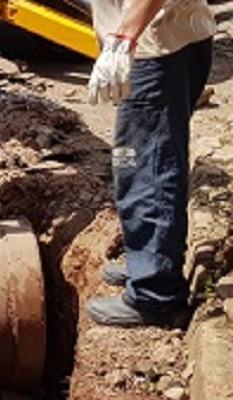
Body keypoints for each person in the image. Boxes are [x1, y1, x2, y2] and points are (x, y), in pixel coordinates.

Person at [84, 0, 216, 327]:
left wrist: (123, 40)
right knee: (153, 160)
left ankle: (155, 293)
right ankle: (148, 263)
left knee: (146, 170)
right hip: (171, 37)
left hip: (155, 48)